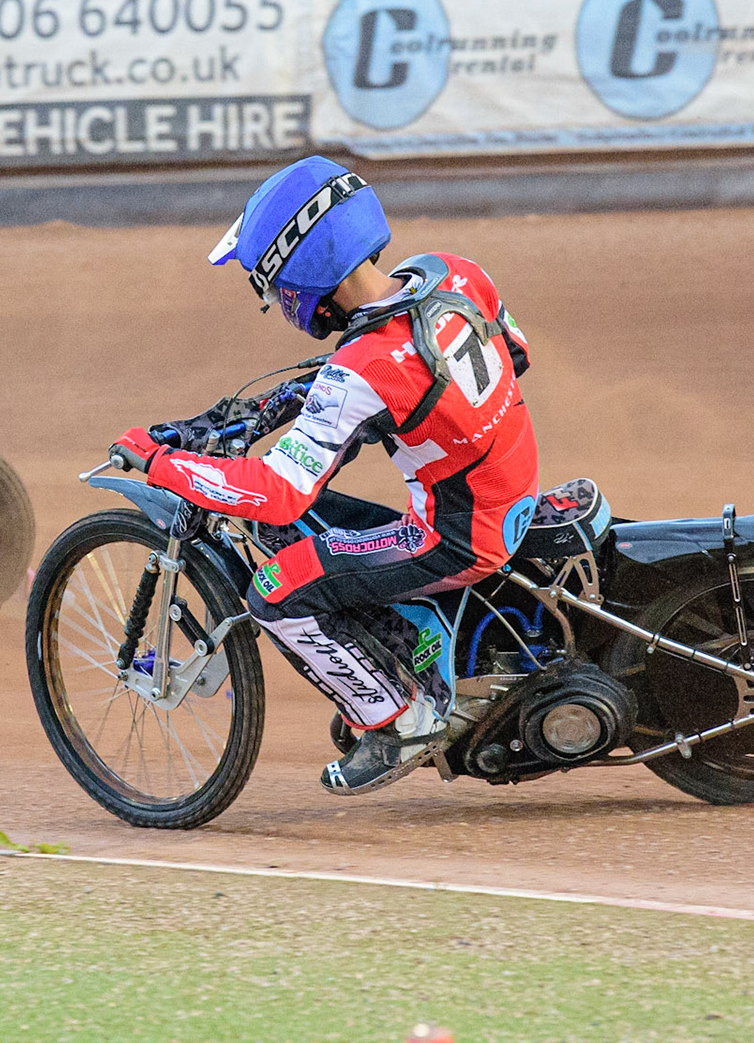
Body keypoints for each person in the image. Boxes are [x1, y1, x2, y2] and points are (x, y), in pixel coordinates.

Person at [111, 156, 540, 796]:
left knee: (278, 587)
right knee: (324, 525)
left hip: (457, 536)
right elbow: (516, 354)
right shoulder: (451, 274)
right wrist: (405, 417)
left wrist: (166, 465)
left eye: (268, 285)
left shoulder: (360, 370)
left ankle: (398, 723)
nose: (273, 301)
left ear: (298, 270)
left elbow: (278, 494)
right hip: (508, 492)